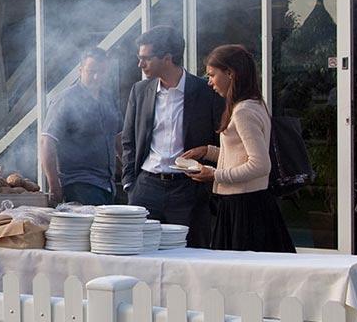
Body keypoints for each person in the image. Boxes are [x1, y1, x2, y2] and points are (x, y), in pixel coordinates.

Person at [181, 45, 294, 252]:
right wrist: (208, 151)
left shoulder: (243, 111)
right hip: (249, 203)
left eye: (212, 75)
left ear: (230, 73)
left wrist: (215, 175)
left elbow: (260, 165)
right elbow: (239, 153)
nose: (209, 82)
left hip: (244, 207)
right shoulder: (253, 104)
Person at [121, 26, 224, 247]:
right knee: (140, 253)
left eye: (146, 58)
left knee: (192, 256)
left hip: (188, 189)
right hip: (146, 186)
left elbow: (219, 139)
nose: (140, 64)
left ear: (167, 58)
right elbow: (128, 140)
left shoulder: (206, 92)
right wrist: (130, 183)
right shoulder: (139, 91)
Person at [41, 48, 120, 205]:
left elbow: (118, 138)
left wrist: (129, 173)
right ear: (80, 70)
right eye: (91, 71)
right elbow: (46, 142)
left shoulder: (108, 99)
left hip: (107, 184)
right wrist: (54, 184)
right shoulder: (65, 100)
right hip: (78, 185)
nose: (96, 77)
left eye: (102, 72)